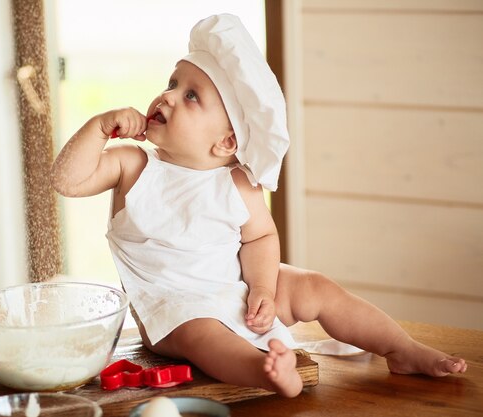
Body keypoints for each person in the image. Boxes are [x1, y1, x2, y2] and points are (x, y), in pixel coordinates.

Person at [51, 14, 467, 397]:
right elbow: (67, 181)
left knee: (315, 287)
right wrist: (99, 127)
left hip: (236, 283)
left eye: (191, 95)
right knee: (203, 335)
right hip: (171, 308)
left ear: (227, 142)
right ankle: (264, 370)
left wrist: (265, 290)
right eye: (172, 83)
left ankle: (401, 348)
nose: (169, 96)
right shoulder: (134, 165)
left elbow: (261, 238)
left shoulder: (238, 183)